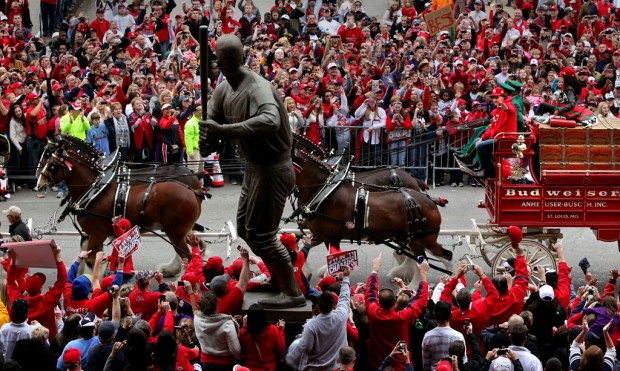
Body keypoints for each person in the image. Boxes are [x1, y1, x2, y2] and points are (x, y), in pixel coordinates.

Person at [200, 34, 304, 308]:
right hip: (254, 167)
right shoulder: (225, 88)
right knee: (248, 228)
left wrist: (223, 131)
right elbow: (213, 116)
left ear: (220, 64)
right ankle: (279, 278)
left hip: (272, 169)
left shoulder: (257, 86)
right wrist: (208, 133)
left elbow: (269, 119)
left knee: (261, 235)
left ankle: (293, 294)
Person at [365, 254, 430, 371]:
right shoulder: (402, 317)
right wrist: (423, 273)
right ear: (394, 301)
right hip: (401, 365)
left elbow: (370, 293)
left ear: (379, 301)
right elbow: (421, 300)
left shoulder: (372, 312)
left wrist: (375, 270)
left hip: (378, 364)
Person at [289, 265, 351, 370]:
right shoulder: (341, 316)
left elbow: (306, 348)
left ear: (318, 306)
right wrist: (346, 278)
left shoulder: (311, 325)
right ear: (333, 305)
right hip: (335, 367)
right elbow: (344, 297)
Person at [6, 242, 67, 340]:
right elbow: (62, 279)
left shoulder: (18, 300)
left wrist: (13, 261)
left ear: (26, 289)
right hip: (46, 342)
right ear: (40, 289)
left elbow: (10, 283)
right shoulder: (47, 301)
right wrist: (57, 256)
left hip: (23, 343)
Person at [193, 292, 242, 370]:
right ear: (216, 306)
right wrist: (239, 359)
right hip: (225, 364)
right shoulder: (227, 323)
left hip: (205, 363)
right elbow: (235, 349)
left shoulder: (196, 318)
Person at [238, 304, 286, 371]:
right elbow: (281, 350)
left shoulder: (243, 333)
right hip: (268, 368)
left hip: (250, 368)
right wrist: (280, 331)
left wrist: (244, 326)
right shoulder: (273, 330)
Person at [422, 300, 467, 371]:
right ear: (450, 315)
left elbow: (426, 365)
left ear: (435, 315)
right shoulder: (458, 336)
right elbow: (464, 361)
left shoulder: (428, 336)